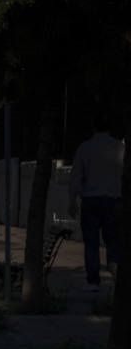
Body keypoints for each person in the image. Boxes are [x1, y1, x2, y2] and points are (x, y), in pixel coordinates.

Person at [68, 111, 123, 291]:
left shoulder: (85, 148)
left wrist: (72, 200)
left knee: (91, 243)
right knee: (113, 240)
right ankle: (114, 269)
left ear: (93, 126)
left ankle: (93, 280)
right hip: (113, 200)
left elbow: (76, 176)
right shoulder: (120, 147)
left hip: (90, 200)